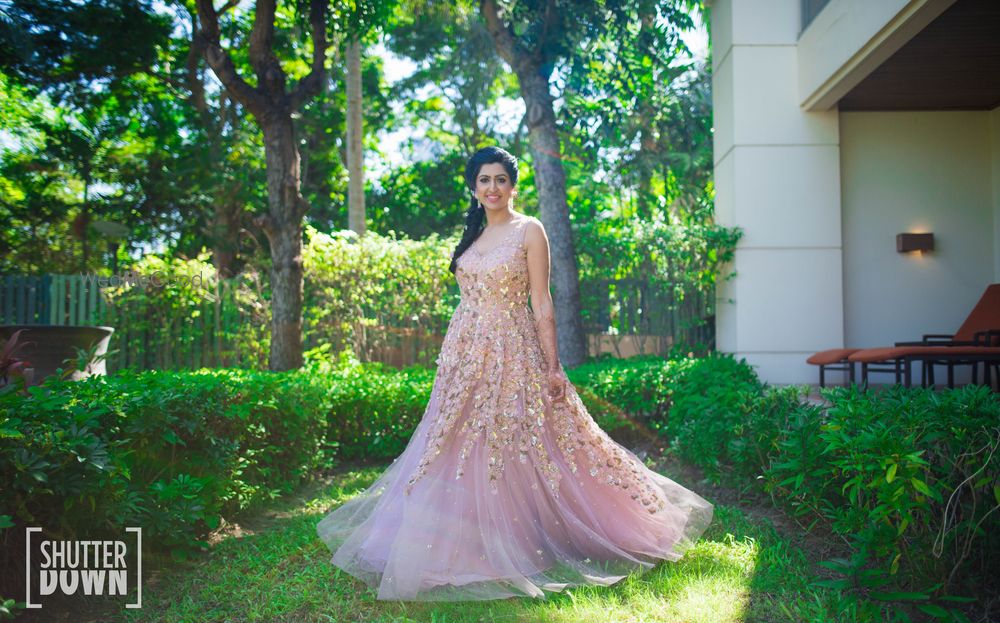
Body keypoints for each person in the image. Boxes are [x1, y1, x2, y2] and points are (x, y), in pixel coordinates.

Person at [316, 146, 713, 601]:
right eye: (484, 180)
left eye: (500, 179)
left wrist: (553, 365)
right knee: (454, 441)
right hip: (464, 355)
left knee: (523, 437)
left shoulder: (530, 230)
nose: (492, 188)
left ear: (513, 185)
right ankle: (453, 540)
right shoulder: (473, 235)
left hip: (512, 349)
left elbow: (541, 301)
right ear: (473, 187)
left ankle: (547, 532)